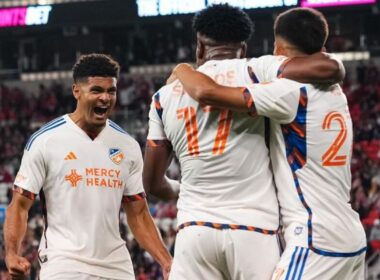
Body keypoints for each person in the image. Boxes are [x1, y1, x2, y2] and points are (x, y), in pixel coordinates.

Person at [143, 4, 344, 280]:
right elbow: (326, 68)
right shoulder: (257, 69)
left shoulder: (164, 96)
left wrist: (186, 187)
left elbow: (152, 184)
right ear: (244, 47)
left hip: (194, 231)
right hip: (254, 230)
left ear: (199, 45)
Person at [4, 54, 172, 280]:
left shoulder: (128, 146)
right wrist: (12, 253)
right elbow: (20, 205)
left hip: (117, 266)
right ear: (76, 91)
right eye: (96, 90)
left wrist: (166, 261)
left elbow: (139, 213)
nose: (105, 98)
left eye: (111, 91)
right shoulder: (45, 141)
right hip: (64, 264)